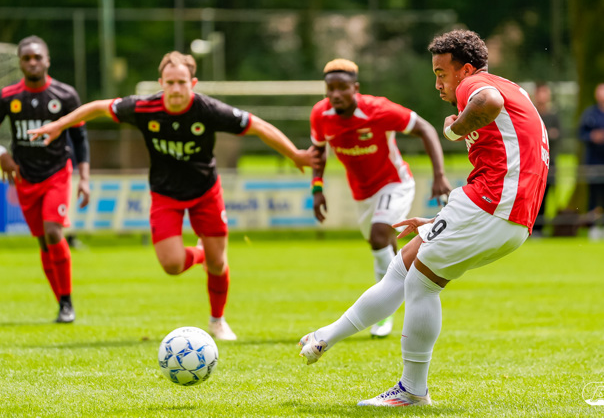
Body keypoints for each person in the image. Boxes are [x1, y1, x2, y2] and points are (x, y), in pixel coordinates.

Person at [299, 29, 549, 407]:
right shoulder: (513, 87)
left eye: (441, 74)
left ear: (465, 69)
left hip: (493, 204)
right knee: (402, 267)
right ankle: (326, 336)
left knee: (421, 283)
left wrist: (455, 129)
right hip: (502, 209)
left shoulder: (475, 85)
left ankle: (412, 390)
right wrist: (438, 221)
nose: (438, 83)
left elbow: (488, 101)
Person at [29, 51, 316, 340]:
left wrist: (294, 155)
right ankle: (201, 253)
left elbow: (258, 126)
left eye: (182, 82)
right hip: (165, 195)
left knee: (218, 264)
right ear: (161, 83)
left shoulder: (208, 110)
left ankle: (217, 321)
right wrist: (59, 125)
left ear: (193, 83)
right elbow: (98, 108)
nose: (176, 88)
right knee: (172, 265)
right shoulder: (144, 108)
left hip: (205, 192)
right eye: (170, 82)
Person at [309, 58, 451, 338]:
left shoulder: (379, 109)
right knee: (383, 245)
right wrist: (317, 189)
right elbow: (318, 152)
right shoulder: (320, 114)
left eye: (342, 87)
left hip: (395, 183)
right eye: (330, 88)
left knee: (378, 235)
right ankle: (404, 287)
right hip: (362, 194)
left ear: (356, 88)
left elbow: (425, 128)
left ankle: (383, 312)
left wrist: (439, 175)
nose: (335, 94)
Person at [0, 35, 90, 323]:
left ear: (47, 60)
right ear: (20, 63)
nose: (32, 62)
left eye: (37, 57)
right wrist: (2, 152)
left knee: (53, 232)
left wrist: (84, 178)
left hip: (57, 173)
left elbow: (80, 137)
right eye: (26, 58)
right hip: (25, 176)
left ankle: (67, 302)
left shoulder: (65, 95)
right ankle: (61, 302)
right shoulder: (8, 96)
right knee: (42, 242)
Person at [532, 82, 560, 235]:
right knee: (532, 195)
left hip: (550, 162)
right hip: (532, 162)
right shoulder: (532, 112)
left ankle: (541, 228)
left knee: (546, 194)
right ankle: (532, 227)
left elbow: (558, 135)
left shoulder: (554, 115)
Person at [578, 83, 604, 240]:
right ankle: (593, 227)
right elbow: (581, 134)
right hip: (593, 162)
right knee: (593, 196)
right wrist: (592, 137)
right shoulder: (589, 114)